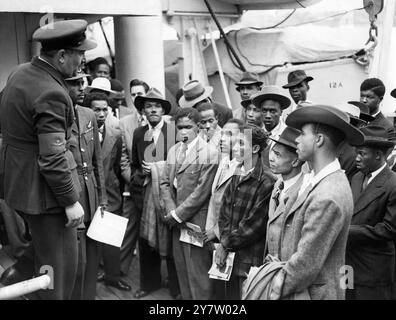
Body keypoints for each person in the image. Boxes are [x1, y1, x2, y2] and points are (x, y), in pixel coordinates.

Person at [0, 19, 96, 300]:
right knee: (61, 276)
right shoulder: (53, 92)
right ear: (62, 56)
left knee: (46, 260)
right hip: (47, 198)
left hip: (20, 188)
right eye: (79, 54)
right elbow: (53, 157)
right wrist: (70, 201)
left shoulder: (20, 73)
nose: (83, 61)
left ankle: (20, 272)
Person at [269, 104, 364, 300]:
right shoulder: (318, 180)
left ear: (319, 140)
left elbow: (305, 263)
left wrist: (273, 287)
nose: (296, 139)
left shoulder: (328, 193)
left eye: (303, 134)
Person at [160, 107, 219, 300]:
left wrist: (177, 215)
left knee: (198, 273)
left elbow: (201, 192)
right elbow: (164, 183)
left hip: (196, 222)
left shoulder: (209, 153)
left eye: (188, 126)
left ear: (199, 127)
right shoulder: (173, 150)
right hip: (177, 223)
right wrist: (171, 212)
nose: (184, 131)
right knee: (182, 271)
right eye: (180, 127)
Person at [216, 125, 276, 299]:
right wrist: (224, 242)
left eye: (241, 144)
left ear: (256, 149)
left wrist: (225, 244)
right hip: (230, 253)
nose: (234, 148)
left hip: (248, 259)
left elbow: (252, 227)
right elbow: (224, 212)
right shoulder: (237, 172)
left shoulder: (267, 182)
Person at [130, 88, 178, 298]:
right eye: (148, 106)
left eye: (157, 106)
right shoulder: (139, 133)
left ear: (162, 110)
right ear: (143, 110)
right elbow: (134, 164)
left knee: (170, 238)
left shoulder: (174, 131)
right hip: (144, 193)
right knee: (146, 239)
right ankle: (149, 284)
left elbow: (181, 162)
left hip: (169, 194)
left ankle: (176, 287)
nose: (153, 110)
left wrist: (159, 167)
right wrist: (139, 178)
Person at [85, 92, 131, 292]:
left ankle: (113, 276)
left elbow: (118, 164)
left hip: (110, 190)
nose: (102, 113)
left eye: (105, 109)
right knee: (90, 236)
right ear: (88, 111)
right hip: (87, 190)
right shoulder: (80, 132)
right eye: (97, 109)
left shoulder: (116, 133)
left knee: (112, 236)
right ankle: (88, 278)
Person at [66, 77, 107, 300]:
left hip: (91, 192)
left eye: (82, 82)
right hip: (72, 194)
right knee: (75, 259)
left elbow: (97, 160)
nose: (81, 87)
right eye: (74, 83)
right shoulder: (56, 114)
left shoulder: (88, 114)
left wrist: (102, 199)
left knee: (93, 252)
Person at [346, 125, 396, 300]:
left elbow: (389, 229)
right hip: (348, 264)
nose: (357, 158)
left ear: (378, 155)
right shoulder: (357, 177)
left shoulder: (392, 184)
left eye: (362, 153)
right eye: (356, 153)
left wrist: (349, 231)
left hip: (373, 268)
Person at [204, 118, 244, 299]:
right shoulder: (223, 161)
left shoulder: (242, 169)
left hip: (229, 237)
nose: (222, 138)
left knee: (230, 291)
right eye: (222, 133)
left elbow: (236, 210)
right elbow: (215, 200)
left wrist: (218, 232)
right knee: (218, 288)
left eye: (230, 135)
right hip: (214, 236)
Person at [118, 79, 150, 275]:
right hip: (133, 185)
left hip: (156, 185)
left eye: (140, 93)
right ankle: (119, 270)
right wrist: (134, 181)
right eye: (133, 94)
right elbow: (122, 158)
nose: (136, 97)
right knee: (128, 227)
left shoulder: (165, 122)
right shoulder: (124, 123)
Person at [266, 127, 305, 258]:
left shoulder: (302, 191)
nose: (271, 159)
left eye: (278, 155)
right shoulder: (278, 184)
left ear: (295, 161)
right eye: (273, 152)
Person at [251, 85, 291, 166]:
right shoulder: (254, 134)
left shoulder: (289, 135)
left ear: (281, 112)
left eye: (273, 111)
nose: (268, 115)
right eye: (264, 111)